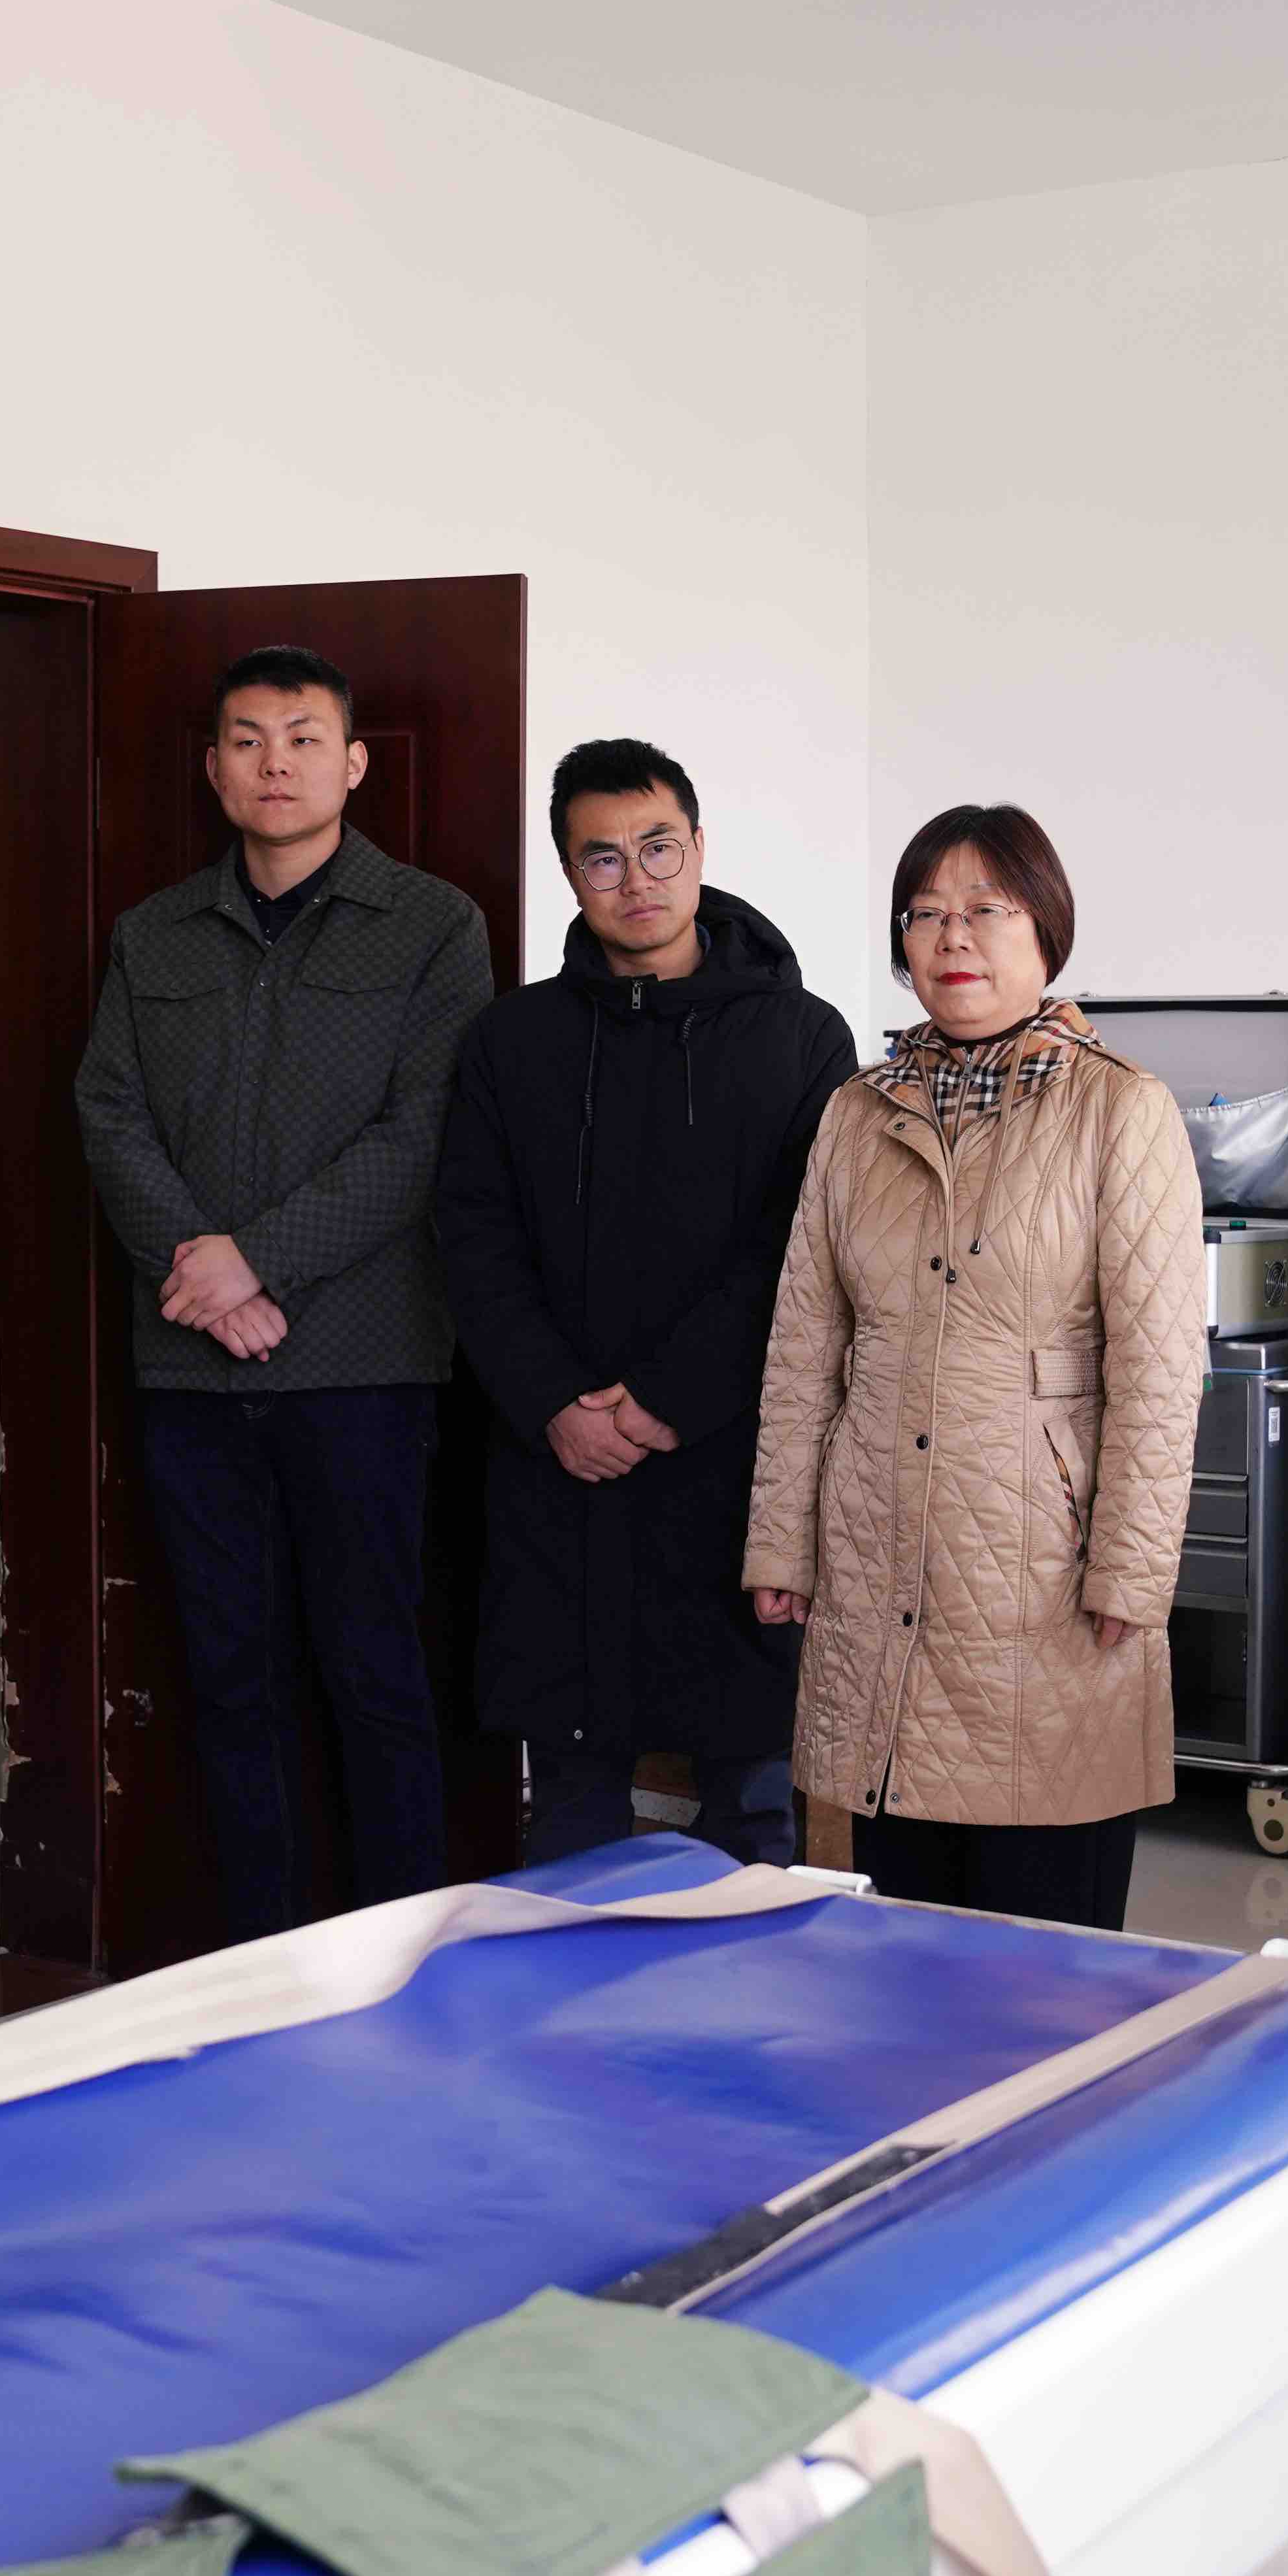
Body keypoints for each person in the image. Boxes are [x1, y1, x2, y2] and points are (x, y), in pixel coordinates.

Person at [71, 642, 492, 1943]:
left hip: (365, 1368)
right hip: (195, 1374)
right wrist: (204, 1270)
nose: (276, 764)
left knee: (376, 1676)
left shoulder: (433, 924)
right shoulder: (153, 933)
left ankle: (403, 1956)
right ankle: (261, 1959)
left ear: (354, 764)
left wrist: (255, 1259)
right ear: (213, 768)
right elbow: (109, 1114)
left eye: (305, 739)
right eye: (248, 740)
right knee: (229, 1681)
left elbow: (424, 1133)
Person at [741, 805, 1201, 1932]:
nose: (953, 936)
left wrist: (1133, 1571)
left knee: (1045, 1963)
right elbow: (805, 1345)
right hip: (876, 1548)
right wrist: (781, 1540)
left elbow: (1159, 1366)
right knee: (898, 1948)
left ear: (1047, 931)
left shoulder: (1121, 1108)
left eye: (986, 909)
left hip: (1043, 1572)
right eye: (926, 913)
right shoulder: (857, 1114)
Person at [435, 737, 853, 1867]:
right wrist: (555, 1403)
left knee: (752, 1808)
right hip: (557, 1469)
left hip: (732, 1465)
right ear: (570, 874)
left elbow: (801, 1253)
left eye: (659, 847)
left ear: (701, 848)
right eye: (604, 858)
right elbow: (472, 1238)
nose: (638, 880)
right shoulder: (511, 1041)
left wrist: (664, 1399)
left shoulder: (802, 1037)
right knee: (570, 1813)